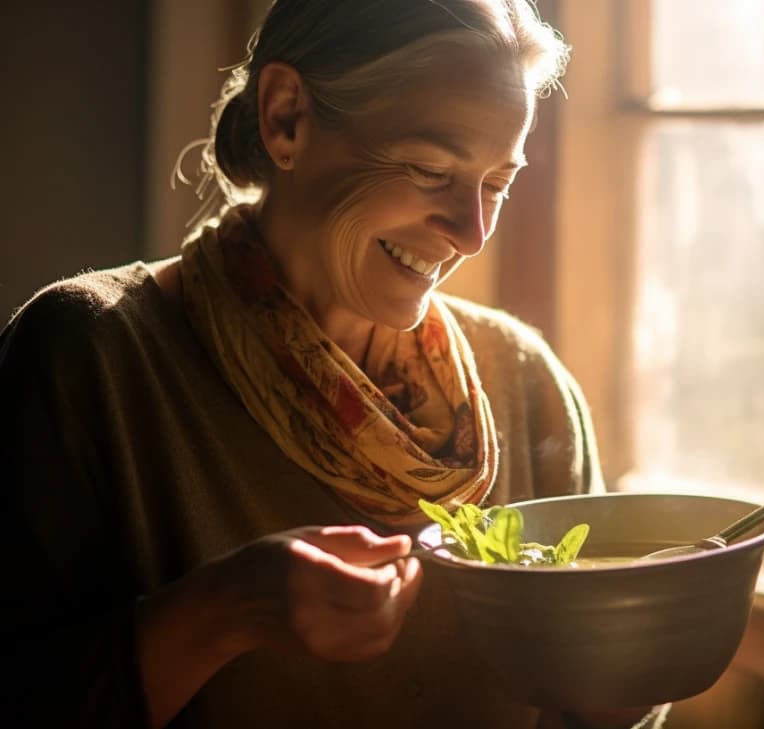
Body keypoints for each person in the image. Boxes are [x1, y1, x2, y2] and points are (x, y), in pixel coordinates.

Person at [0, 1, 664, 727]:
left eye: (498, 184)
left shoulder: (527, 384)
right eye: (431, 168)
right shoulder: (92, 358)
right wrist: (226, 610)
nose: (472, 232)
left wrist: (631, 674)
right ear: (286, 118)